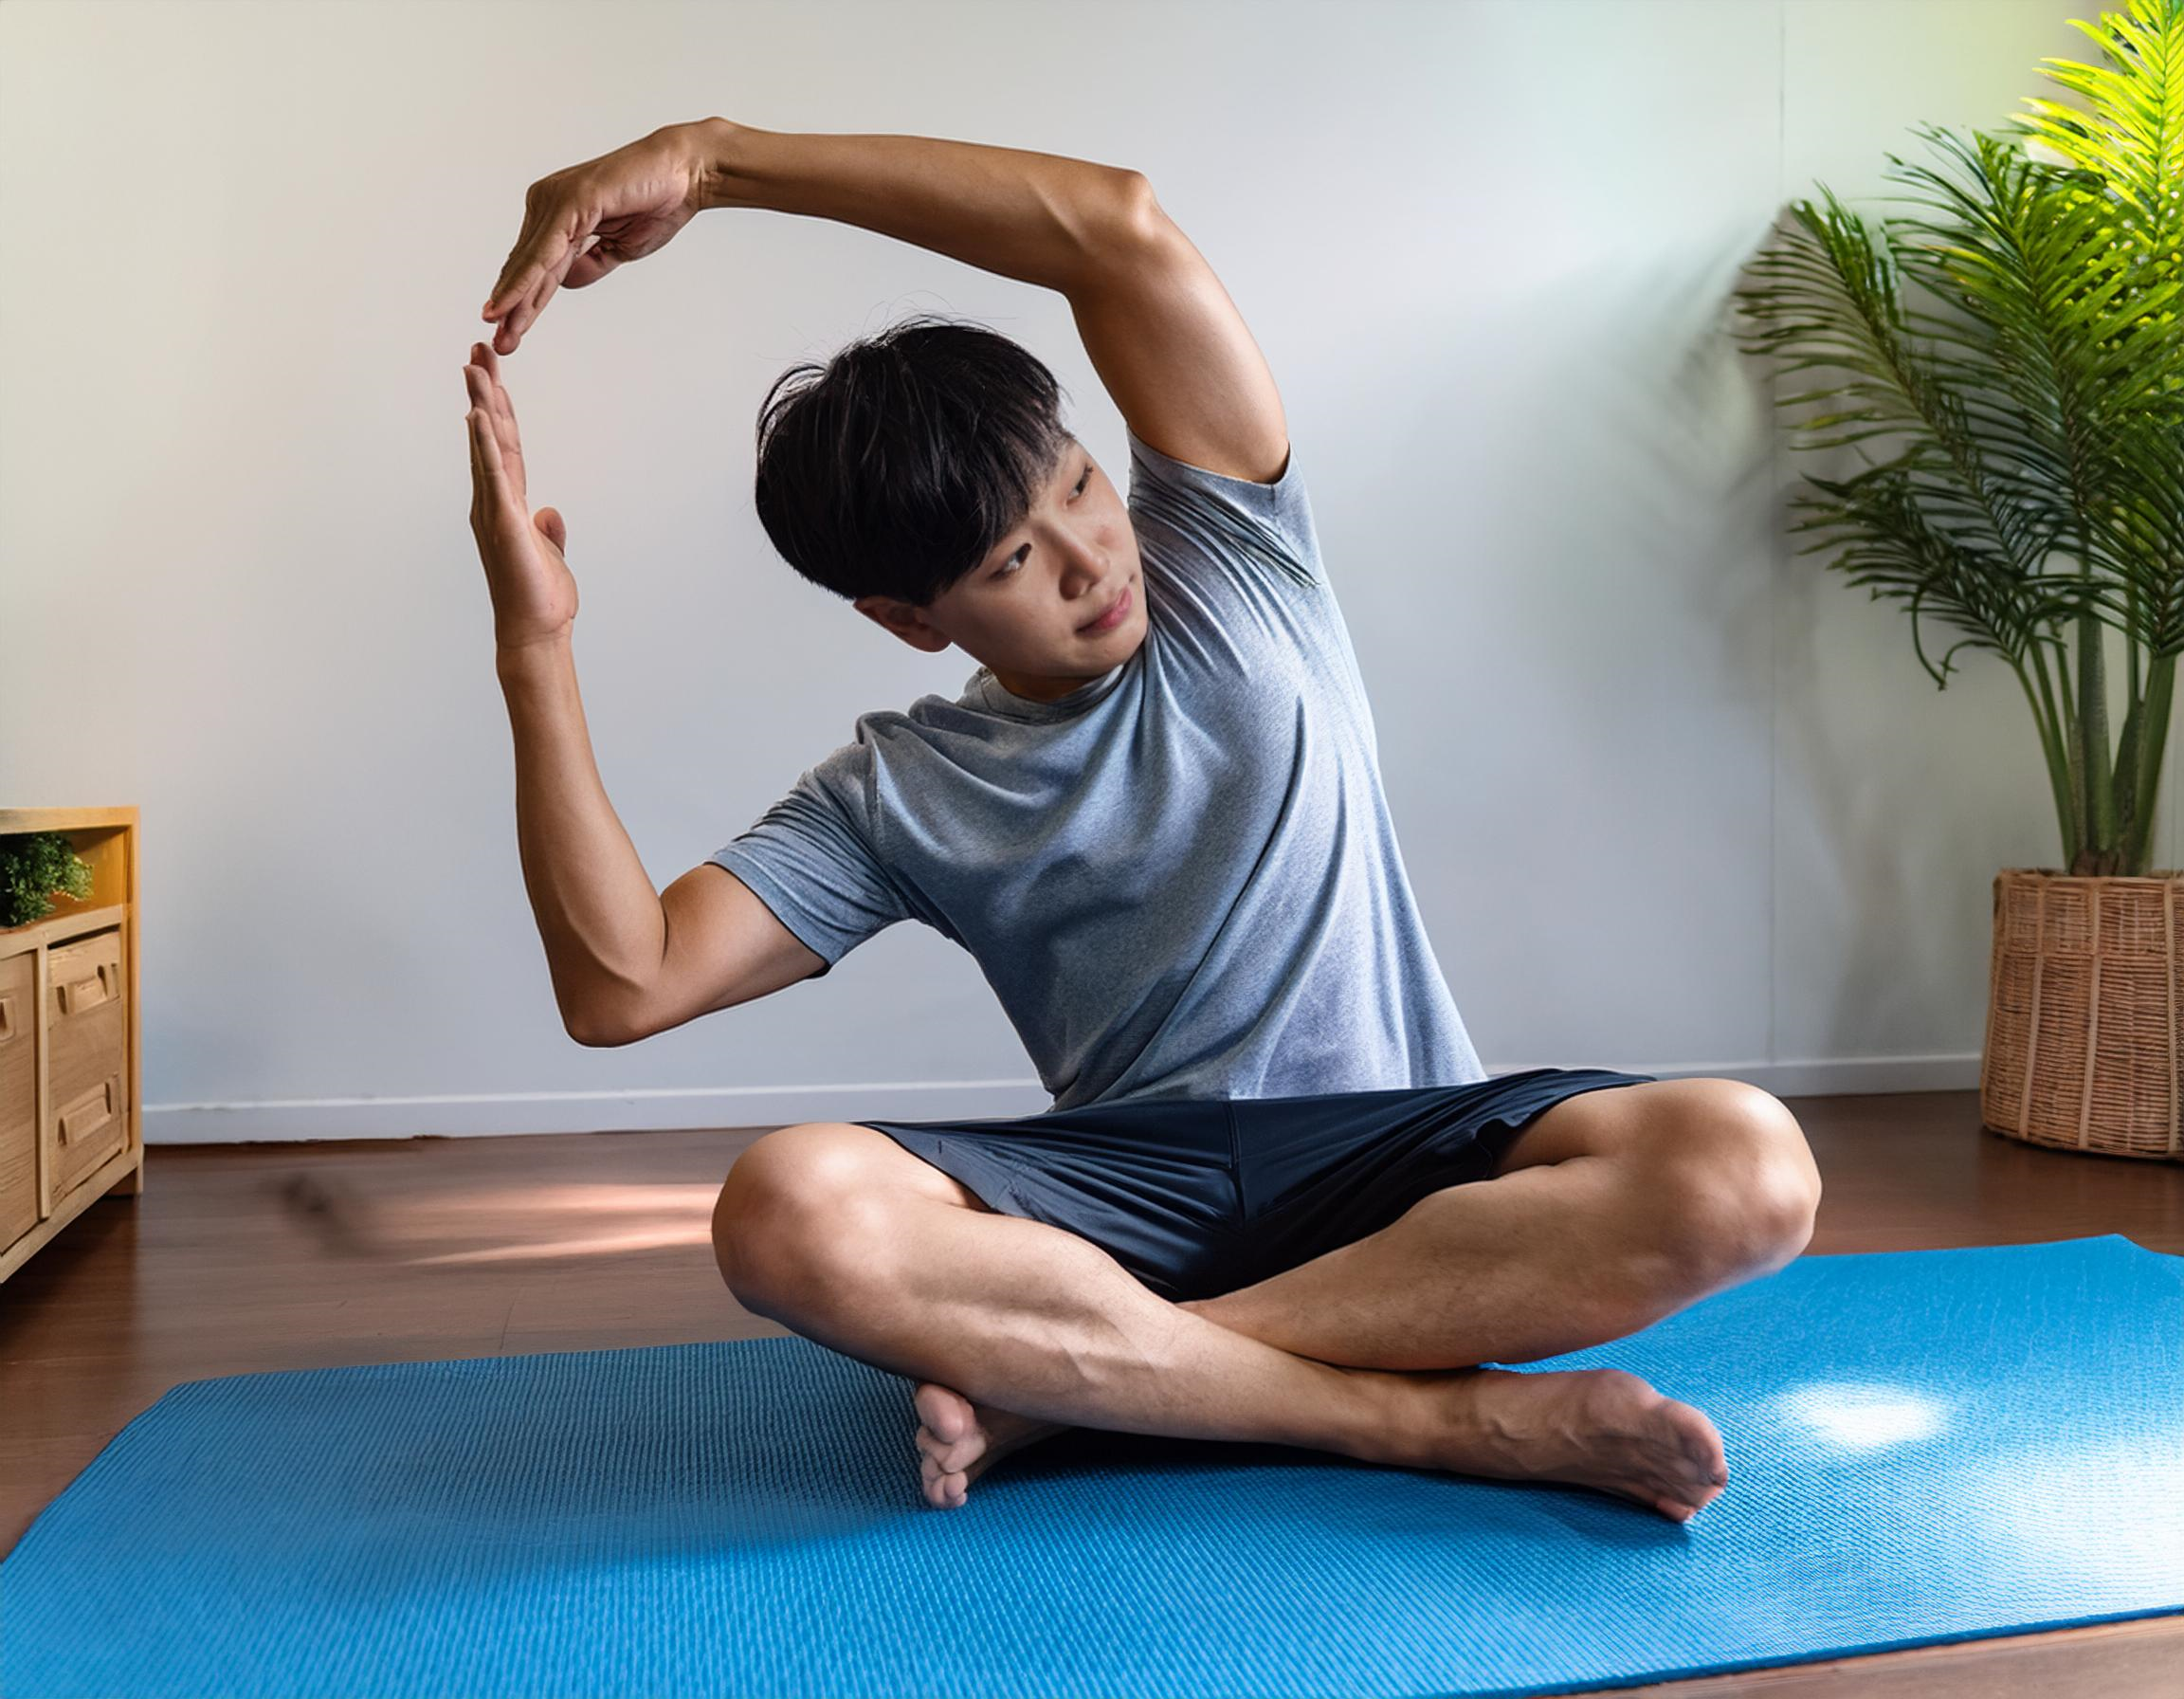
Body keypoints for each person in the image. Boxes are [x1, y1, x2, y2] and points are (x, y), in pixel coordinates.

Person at [463, 118, 1823, 1524]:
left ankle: (1108, 1380)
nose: (1092, 558)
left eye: (1079, 486)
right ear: (910, 622)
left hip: (1398, 1160)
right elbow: (621, 985)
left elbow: (1111, 229)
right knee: (784, 1208)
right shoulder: (902, 789)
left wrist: (713, 164)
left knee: (1748, 1166)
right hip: (1130, 1205)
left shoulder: (1234, 562)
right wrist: (534, 644)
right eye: (1013, 559)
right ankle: (1423, 1417)